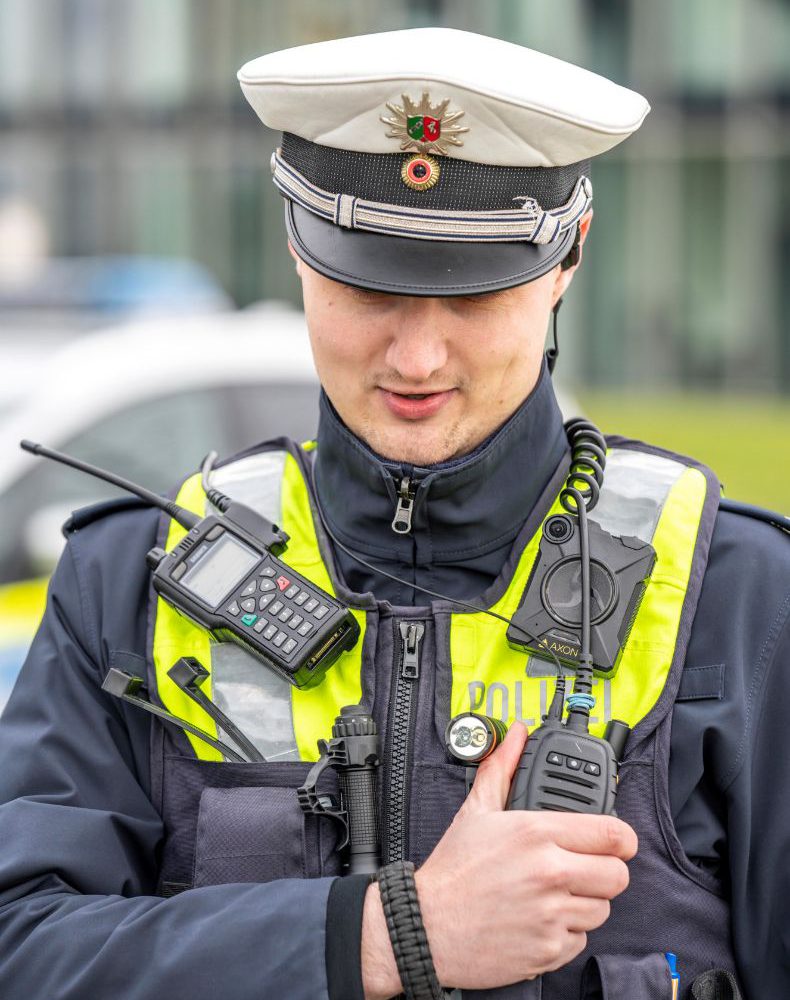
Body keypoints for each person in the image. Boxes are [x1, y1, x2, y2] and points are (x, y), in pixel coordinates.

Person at [0, 27, 787, 1000]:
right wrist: (382, 936)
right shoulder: (128, 575)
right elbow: (21, 950)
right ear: (296, 246)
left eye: (473, 293)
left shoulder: (743, 598)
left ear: (567, 259)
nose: (415, 358)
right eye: (368, 284)